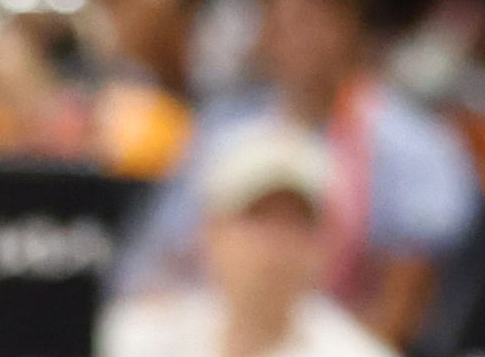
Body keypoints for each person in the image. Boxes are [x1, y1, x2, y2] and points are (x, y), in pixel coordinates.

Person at [121, 0, 480, 348]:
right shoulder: (222, 131)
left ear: (350, 23)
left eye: (308, 20)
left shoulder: (417, 149)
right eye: (279, 20)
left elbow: (403, 307)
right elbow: (156, 267)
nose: (293, 39)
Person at [100, 117, 401, 357]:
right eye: (257, 216)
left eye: (299, 222)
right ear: (209, 231)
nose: (277, 244)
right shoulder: (136, 335)